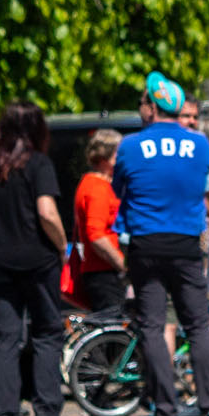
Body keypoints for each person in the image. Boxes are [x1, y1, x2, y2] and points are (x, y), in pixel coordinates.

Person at [113, 71, 209, 416]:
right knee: (197, 325)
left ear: (151, 106)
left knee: (151, 326)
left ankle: (164, 410)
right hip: (185, 243)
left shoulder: (131, 145)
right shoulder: (199, 145)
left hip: (146, 243)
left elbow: (120, 188)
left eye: (143, 103)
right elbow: (201, 186)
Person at [0, 102, 67, 416]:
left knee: (6, 338)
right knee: (47, 333)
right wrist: (62, 244)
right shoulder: (38, 164)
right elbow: (47, 212)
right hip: (38, 261)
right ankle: (47, 412)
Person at [71, 128, 125, 312]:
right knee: (114, 331)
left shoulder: (96, 184)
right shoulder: (97, 188)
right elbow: (96, 234)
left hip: (101, 270)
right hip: (104, 271)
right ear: (105, 157)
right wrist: (122, 265)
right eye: (120, 153)